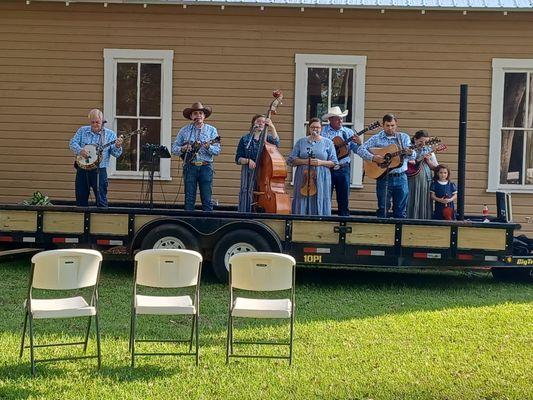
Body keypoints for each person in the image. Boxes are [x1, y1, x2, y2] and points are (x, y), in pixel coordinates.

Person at [357, 114, 415, 218]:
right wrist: (373, 158)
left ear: (396, 125)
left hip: (401, 177)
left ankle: (398, 233)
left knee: (400, 209)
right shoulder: (377, 138)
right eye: (387, 125)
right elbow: (360, 149)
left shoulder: (403, 138)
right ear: (383, 125)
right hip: (383, 177)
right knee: (383, 208)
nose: (390, 128)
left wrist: (410, 152)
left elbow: (412, 157)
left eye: (392, 125)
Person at [172, 102, 221, 211]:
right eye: (195, 113)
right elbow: (174, 149)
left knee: (207, 199)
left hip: (206, 167)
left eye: (200, 113)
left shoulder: (212, 130)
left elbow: (217, 150)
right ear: (191, 116)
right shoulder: (184, 130)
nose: (198, 115)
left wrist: (209, 147)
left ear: (204, 116)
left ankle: (208, 225)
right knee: (189, 198)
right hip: (190, 166)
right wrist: (183, 148)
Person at [69, 109, 123, 207]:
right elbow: (72, 143)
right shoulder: (82, 130)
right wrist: (80, 150)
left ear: (102, 121)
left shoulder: (110, 134)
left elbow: (116, 154)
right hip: (82, 169)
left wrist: (118, 146)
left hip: (100, 170)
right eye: (92, 122)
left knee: (101, 199)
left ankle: (102, 220)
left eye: (97, 122)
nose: (95, 124)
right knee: (81, 198)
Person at [287, 118, 338, 216]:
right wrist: (306, 161)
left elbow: (334, 162)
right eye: (313, 127)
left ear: (321, 128)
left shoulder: (328, 143)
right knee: (302, 198)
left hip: (321, 177)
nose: (315, 129)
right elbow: (291, 160)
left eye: (318, 127)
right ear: (309, 128)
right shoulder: (301, 142)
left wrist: (320, 162)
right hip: (303, 176)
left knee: (320, 198)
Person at [321, 106, 362, 216]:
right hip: (327, 168)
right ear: (330, 120)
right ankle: (324, 220)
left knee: (343, 199)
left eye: (341, 118)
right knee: (325, 197)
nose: (340, 121)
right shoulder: (323, 132)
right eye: (337, 119)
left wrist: (359, 143)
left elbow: (357, 150)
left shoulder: (348, 132)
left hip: (343, 168)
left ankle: (343, 222)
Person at [235, 114, 280, 212]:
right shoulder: (245, 139)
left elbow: (277, 142)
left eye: (263, 122)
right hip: (248, 170)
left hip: (264, 170)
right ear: (253, 123)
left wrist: (272, 126)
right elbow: (238, 159)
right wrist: (247, 160)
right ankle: (244, 212)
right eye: (258, 121)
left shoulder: (267, 138)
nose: (261, 123)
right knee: (245, 191)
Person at [407, 130, 439, 219]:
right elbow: (407, 162)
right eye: (421, 141)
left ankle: (424, 219)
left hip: (425, 179)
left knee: (424, 200)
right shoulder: (408, 148)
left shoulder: (429, 150)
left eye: (426, 142)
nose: (423, 144)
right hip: (411, 178)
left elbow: (435, 167)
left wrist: (428, 160)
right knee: (411, 198)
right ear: (415, 139)